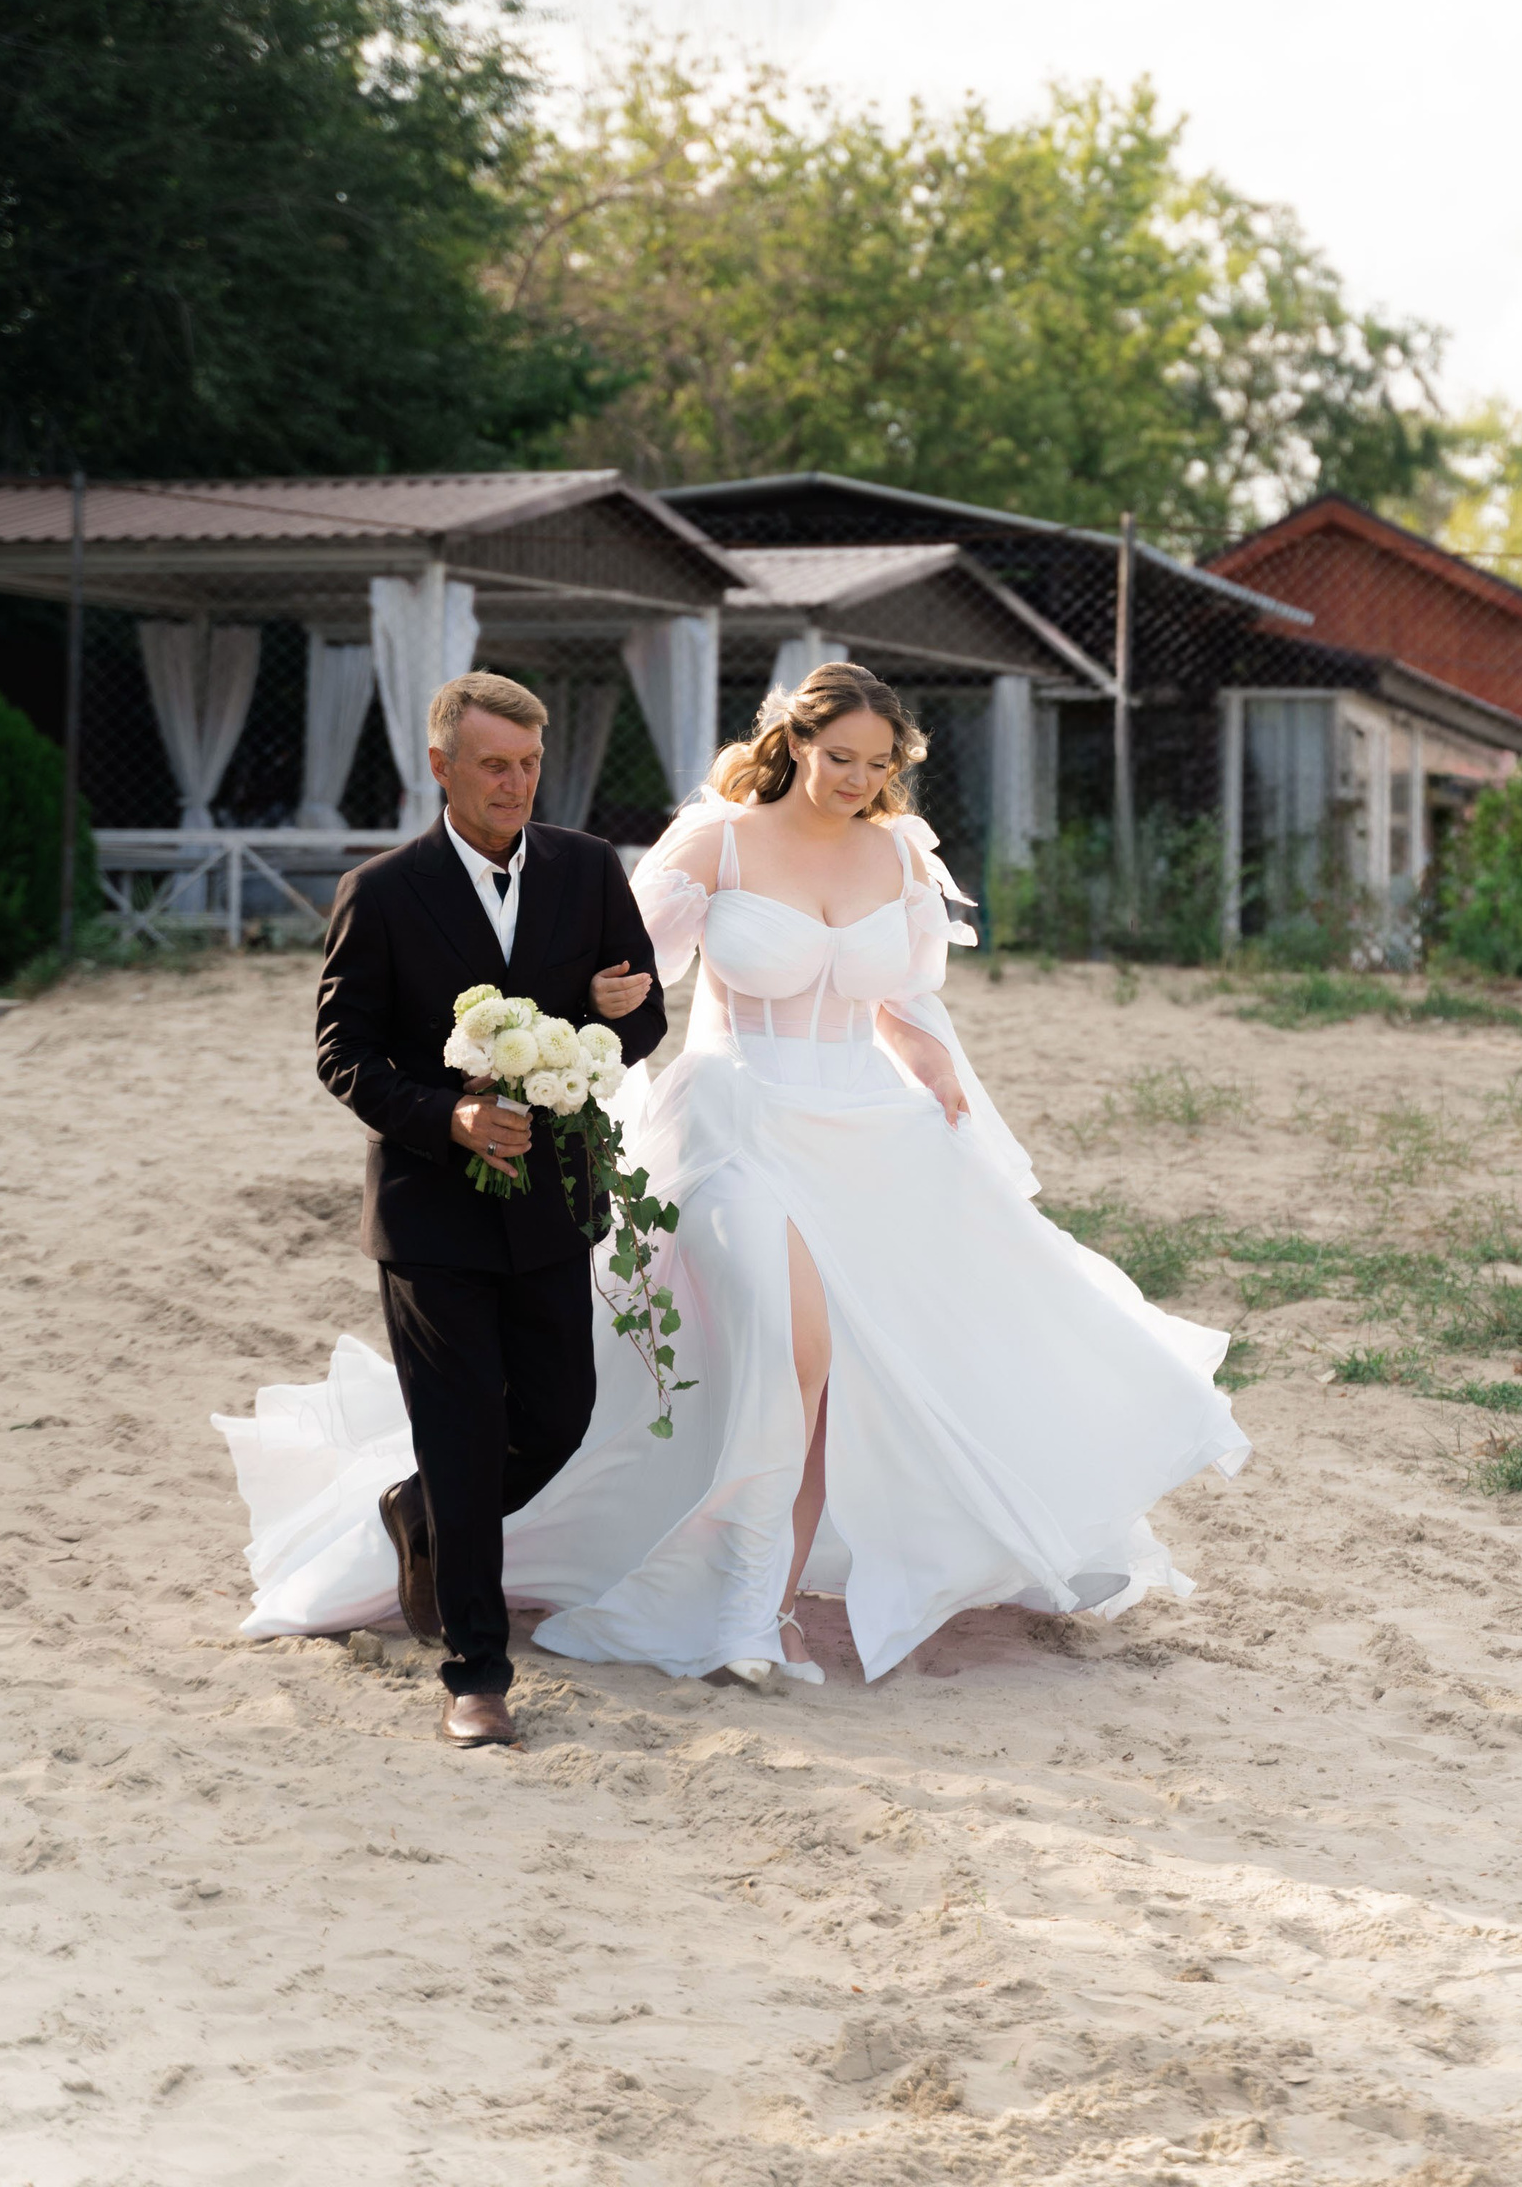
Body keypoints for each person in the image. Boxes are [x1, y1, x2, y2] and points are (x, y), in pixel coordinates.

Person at [217, 662, 1247, 1698]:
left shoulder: (899, 854)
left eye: (877, 763)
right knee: (796, 1351)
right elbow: (609, 971)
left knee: (851, 1376)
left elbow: (899, 999)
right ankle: (706, 1595)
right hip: (739, 1121)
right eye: (839, 757)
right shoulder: (717, 842)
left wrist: (936, 1070)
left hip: (869, 1132)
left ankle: (771, 1607)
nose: (857, 779)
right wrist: (576, 1019)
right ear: (795, 743)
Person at [230, 671, 666, 1748]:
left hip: (554, 1203)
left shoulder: (589, 869)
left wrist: (622, 1010)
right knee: (465, 1434)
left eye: (529, 765)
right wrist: (450, 1118)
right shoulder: (380, 891)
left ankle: (420, 1509)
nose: (516, 785)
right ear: (441, 766)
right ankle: (476, 1673)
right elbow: (344, 1054)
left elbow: (640, 1024)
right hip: (429, 1212)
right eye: (493, 766)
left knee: (557, 1421)